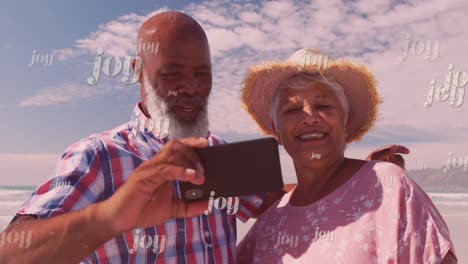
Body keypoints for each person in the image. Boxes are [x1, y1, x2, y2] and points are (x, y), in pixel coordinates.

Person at [0, 13, 408, 264]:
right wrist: (112, 218)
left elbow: (276, 200)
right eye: (172, 73)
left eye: (202, 74)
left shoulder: (217, 155)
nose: (190, 88)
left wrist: (353, 176)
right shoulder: (100, 156)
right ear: (137, 70)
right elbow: (13, 253)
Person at [236, 48, 457, 264]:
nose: (310, 117)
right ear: (277, 131)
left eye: (323, 105)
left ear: (346, 121)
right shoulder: (269, 224)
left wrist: (364, 179)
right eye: (292, 110)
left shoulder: (390, 188)